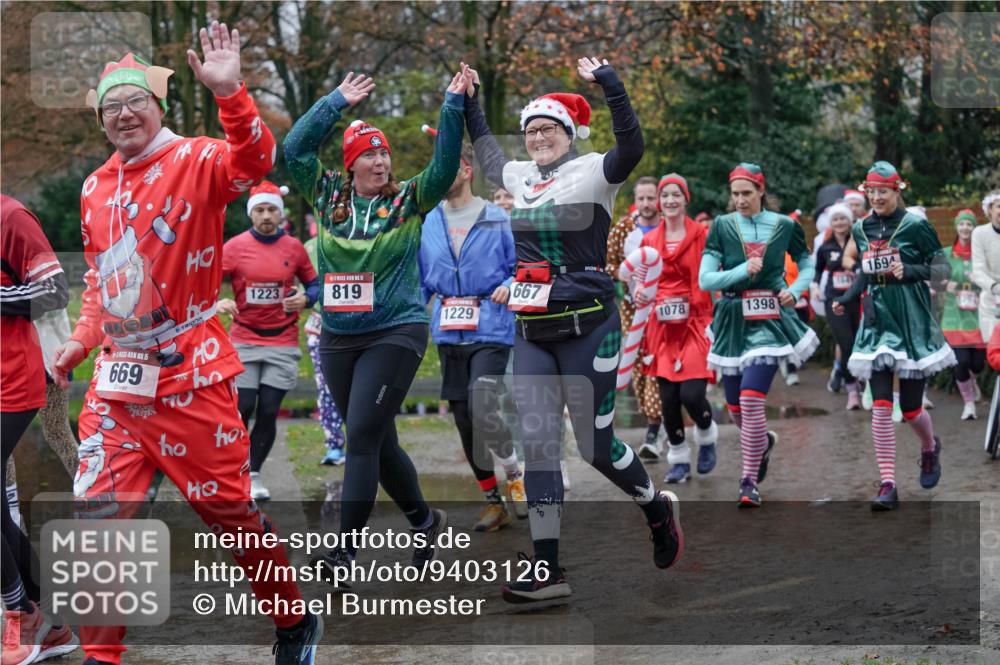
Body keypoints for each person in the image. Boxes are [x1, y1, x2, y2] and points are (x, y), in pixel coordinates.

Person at [51, 27, 322, 663]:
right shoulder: (94, 188)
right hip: (117, 388)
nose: (122, 114)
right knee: (96, 529)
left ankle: (292, 619)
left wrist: (231, 94)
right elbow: (99, 284)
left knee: (231, 517)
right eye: (110, 107)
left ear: (158, 107)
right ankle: (102, 656)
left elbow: (253, 163)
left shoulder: (198, 160)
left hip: (189, 378)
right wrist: (81, 341)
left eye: (134, 101)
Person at [462, 57, 684, 603]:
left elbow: (632, 147)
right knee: (538, 446)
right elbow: (487, 145)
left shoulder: (592, 172)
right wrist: (469, 98)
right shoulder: (515, 175)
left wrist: (610, 84)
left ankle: (656, 510)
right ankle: (548, 571)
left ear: (569, 133)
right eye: (532, 130)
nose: (538, 138)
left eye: (549, 129)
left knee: (594, 447)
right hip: (534, 329)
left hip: (590, 326)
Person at [284, 68, 467, 582]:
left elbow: (445, 162)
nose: (381, 160)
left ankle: (343, 555)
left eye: (384, 152)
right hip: (340, 336)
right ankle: (425, 521)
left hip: (397, 330)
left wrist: (452, 104)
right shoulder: (327, 196)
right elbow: (293, 150)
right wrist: (333, 101)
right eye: (369, 153)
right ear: (351, 163)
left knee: (361, 433)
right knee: (376, 439)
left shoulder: (409, 199)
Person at [831, 162, 955, 511]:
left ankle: (930, 448)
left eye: (882, 191)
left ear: (897, 190)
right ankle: (888, 484)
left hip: (912, 320)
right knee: (882, 404)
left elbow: (942, 272)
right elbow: (865, 273)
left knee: (912, 409)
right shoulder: (861, 228)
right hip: (877, 322)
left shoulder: (916, 225)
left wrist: (911, 270)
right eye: (870, 192)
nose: (876, 197)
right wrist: (846, 298)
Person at [417, 140, 526, 532]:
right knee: (464, 418)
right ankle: (492, 501)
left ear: (466, 171)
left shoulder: (497, 216)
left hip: (491, 324)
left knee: (482, 404)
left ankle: (514, 472)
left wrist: (512, 283)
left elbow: (523, 266)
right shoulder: (428, 220)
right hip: (448, 330)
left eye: (449, 167)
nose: (441, 175)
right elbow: (420, 281)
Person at [699, 163, 817, 508]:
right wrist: (738, 271)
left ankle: (748, 480)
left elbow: (806, 262)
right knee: (735, 405)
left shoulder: (784, 225)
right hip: (734, 318)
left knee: (751, 399)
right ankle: (762, 441)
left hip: (770, 318)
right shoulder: (721, 226)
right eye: (735, 194)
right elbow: (706, 280)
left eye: (746, 193)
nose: (739, 200)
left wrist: (796, 289)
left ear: (761, 191)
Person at [1, 195, 79, 664]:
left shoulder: (11, 217)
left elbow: (54, 292)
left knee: (60, 438)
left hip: (12, 379)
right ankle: (50, 623)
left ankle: (21, 614)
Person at [218, 181, 320, 500]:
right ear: (251, 214)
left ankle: (254, 473)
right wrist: (217, 303)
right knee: (244, 406)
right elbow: (204, 284)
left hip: (283, 340)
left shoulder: (294, 247)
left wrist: (304, 299)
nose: (265, 216)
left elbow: (315, 287)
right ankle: (235, 472)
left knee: (269, 410)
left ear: (280, 213)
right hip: (244, 338)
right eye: (260, 210)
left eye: (271, 209)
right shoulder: (233, 247)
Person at [639, 174, 719, 483]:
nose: (670, 200)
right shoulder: (649, 240)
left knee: (692, 393)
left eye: (676, 194)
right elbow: (644, 280)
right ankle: (680, 460)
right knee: (668, 397)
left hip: (696, 321)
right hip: (662, 325)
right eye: (665, 195)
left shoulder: (702, 235)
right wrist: (641, 292)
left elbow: (713, 272)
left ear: (686, 199)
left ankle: (707, 434)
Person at [605, 176, 666, 459]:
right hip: (632, 308)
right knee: (639, 364)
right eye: (640, 198)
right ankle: (655, 418)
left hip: (666, 308)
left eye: (650, 198)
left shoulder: (669, 227)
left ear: (659, 198)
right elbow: (608, 263)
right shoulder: (624, 229)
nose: (645, 204)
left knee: (659, 360)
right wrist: (624, 273)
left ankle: (655, 426)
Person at [811, 202, 863, 410]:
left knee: (859, 344)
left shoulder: (859, 243)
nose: (840, 222)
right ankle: (852, 390)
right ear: (830, 223)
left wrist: (857, 271)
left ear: (850, 221)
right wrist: (814, 287)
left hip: (858, 299)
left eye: (843, 218)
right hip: (835, 301)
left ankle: (862, 383)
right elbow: (817, 271)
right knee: (846, 344)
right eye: (835, 219)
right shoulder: (826, 247)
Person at [302, 223, 347, 466]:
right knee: (327, 388)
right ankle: (334, 444)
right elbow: (304, 289)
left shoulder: (367, 240)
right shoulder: (309, 247)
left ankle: (369, 444)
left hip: (358, 324)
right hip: (322, 325)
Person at [939, 209, 985, 421]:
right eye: (962, 224)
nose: (965, 228)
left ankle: (972, 381)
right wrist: (946, 284)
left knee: (977, 364)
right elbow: (934, 281)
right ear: (957, 227)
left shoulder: (981, 255)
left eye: (969, 224)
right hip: (953, 316)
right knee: (961, 362)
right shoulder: (946, 254)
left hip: (978, 315)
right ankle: (968, 404)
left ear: (974, 229)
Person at [971, 190, 1000, 344]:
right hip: (990, 302)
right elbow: (978, 270)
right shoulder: (980, 233)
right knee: (995, 351)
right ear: (990, 209)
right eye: (999, 207)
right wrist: (995, 287)